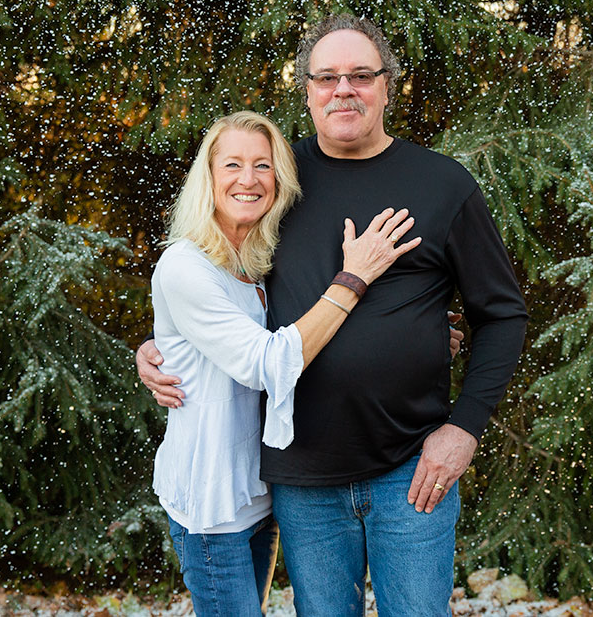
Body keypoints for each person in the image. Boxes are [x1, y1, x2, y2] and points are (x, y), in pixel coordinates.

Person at [140, 17, 529, 616]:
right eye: (326, 77)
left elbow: (502, 315)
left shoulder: (443, 185)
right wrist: (161, 347)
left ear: (386, 86)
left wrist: (464, 427)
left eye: (360, 75)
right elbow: (219, 283)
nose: (342, 89)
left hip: (413, 466)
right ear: (307, 89)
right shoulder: (276, 182)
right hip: (301, 478)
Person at [151, 110, 420, 616]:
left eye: (263, 165)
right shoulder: (184, 265)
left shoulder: (255, 259)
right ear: (207, 177)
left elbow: (213, 337)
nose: (248, 179)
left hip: (260, 494)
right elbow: (265, 362)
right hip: (212, 508)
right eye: (232, 164)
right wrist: (353, 277)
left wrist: (414, 338)